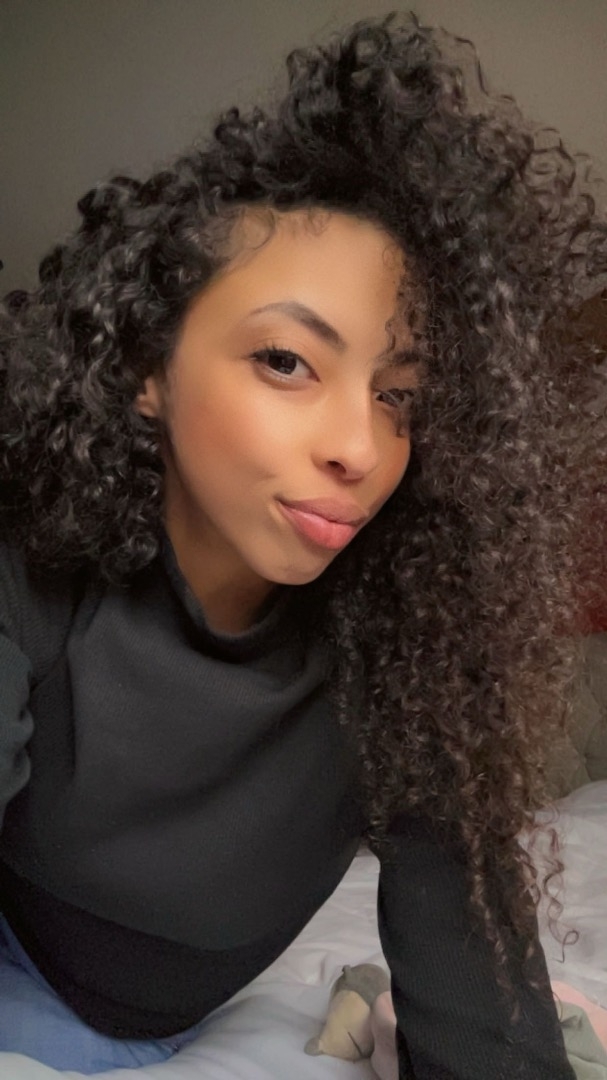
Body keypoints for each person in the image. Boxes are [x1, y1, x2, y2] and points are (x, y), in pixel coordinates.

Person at [0, 12, 605, 1079]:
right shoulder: (31, 573)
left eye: (399, 396)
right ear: (146, 368)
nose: (360, 447)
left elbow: (474, 987)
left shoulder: (405, 652)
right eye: (286, 361)